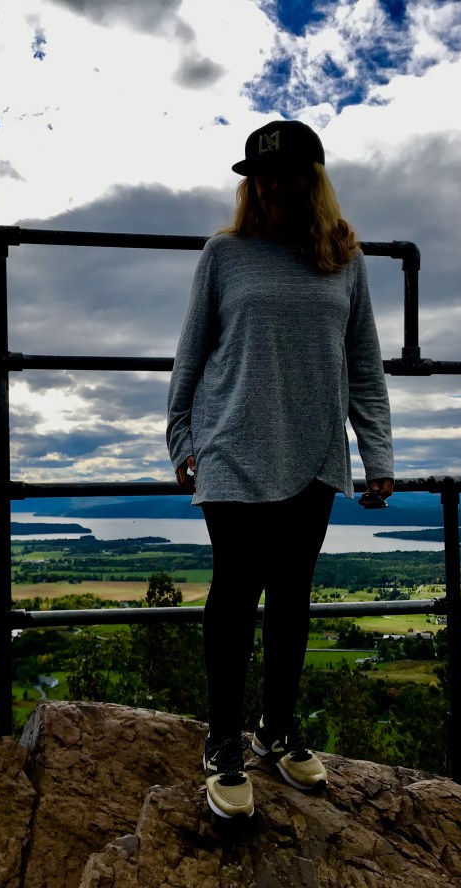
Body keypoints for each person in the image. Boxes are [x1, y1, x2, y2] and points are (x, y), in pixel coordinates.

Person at [166, 119, 394, 820]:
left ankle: (279, 729)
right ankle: (224, 744)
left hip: (317, 450)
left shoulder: (344, 261)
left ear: (312, 179)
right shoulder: (225, 255)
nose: (270, 186)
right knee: (235, 592)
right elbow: (191, 352)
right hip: (232, 445)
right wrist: (182, 438)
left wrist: (377, 453)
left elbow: (365, 365)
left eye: (285, 174)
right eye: (259, 176)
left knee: (293, 594)